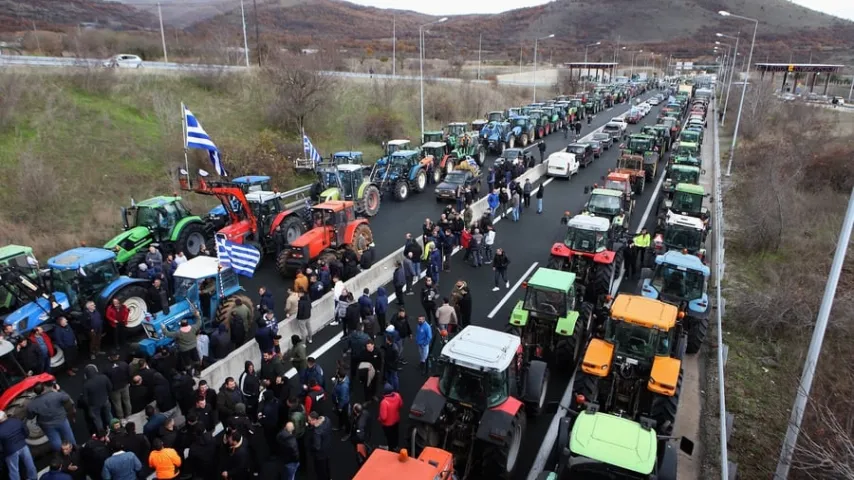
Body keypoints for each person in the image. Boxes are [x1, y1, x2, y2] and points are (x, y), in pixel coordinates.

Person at [0, 410, 37, 480]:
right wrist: (22, 439)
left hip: (10, 451)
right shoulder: (16, 421)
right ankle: (33, 478)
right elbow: (26, 431)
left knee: (14, 470)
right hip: (23, 446)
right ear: (5, 415)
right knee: (30, 464)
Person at [83, 364, 114, 432]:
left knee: (97, 419)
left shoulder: (86, 385)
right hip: (105, 400)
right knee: (109, 415)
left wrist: (89, 406)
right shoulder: (104, 377)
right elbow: (110, 387)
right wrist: (107, 395)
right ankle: (114, 429)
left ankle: (102, 434)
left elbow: (85, 399)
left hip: (94, 405)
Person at [308, 412, 333, 480]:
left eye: (310, 420)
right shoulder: (327, 420)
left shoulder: (317, 432)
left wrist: (311, 447)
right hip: (328, 448)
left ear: (314, 420)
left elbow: (317, 447)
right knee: (327, 466)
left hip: (320, 454)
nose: (308, 422)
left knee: (321, 470)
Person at [378, 384, 403, 451]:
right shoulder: (397, 395)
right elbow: (401, 405)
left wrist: (379, 418)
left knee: (389, 437)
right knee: (395, 434)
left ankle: (390, 448)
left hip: (388, 424)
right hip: (396, 420)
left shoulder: (384, 402)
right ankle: (396, 446)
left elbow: (383, 417)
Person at [332, 369, 350, 435]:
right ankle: (340, 426)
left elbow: (343, 398)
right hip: (339, 402)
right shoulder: (343, 379)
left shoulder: (344, 386)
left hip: (342, 404)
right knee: (340, 416)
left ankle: (348, 432)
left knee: (345, 418)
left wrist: (340, 407)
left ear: (339, 376)